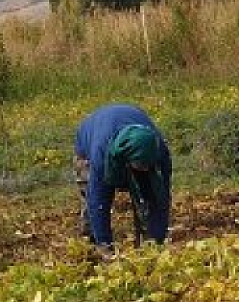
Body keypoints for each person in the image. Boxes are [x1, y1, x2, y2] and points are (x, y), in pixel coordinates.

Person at [74, 104, 172, 256]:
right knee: (91, 201)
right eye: (141, 165)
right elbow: (98, 201)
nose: (145, 170)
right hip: (91, 139)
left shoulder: (159, 150)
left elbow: (162, 196)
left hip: (132, 140)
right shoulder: (100, 154)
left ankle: (147, 243)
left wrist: (158, 239)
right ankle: (92, 243)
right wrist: (105, 246)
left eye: (148, 166)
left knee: (147, 195)